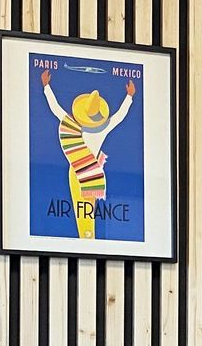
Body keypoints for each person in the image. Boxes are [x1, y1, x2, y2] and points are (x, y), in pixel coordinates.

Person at [41, 68, 135, 242]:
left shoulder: (72, 125)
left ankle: (86, 240)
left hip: (77, 172)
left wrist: (46, 87)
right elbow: (119, 117)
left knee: (82, 209)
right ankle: (87, 239)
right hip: (93, 174)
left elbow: (56, 109)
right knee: (86, 210)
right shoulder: (103, 129)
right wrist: (129, 97)